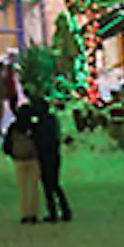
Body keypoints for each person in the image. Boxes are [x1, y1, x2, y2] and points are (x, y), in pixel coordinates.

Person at [31, 95, 72, 223]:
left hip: (46, 155)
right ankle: (62, 210)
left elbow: (41, 139)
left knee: (49, 185)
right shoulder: (51, 121)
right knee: (53, 184)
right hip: (53, 154)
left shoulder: (40, 124)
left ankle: (56, 211)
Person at [3, 99, 41, 224]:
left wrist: (12, 154)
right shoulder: (33, 127)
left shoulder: (13, 127)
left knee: (23, 189)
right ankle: (34, 213)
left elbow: (7, 144)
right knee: (34, 188)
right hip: (33, 158)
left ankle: (25, 214)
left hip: (19, 160)